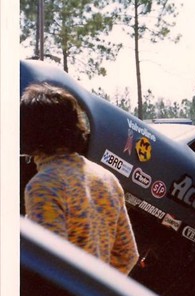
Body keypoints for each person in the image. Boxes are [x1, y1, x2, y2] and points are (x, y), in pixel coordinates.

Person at [21, 82, 139, 275]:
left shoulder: (44, 186)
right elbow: (127, 254)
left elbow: (47, 265)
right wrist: (99, 290)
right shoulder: (106, 178)